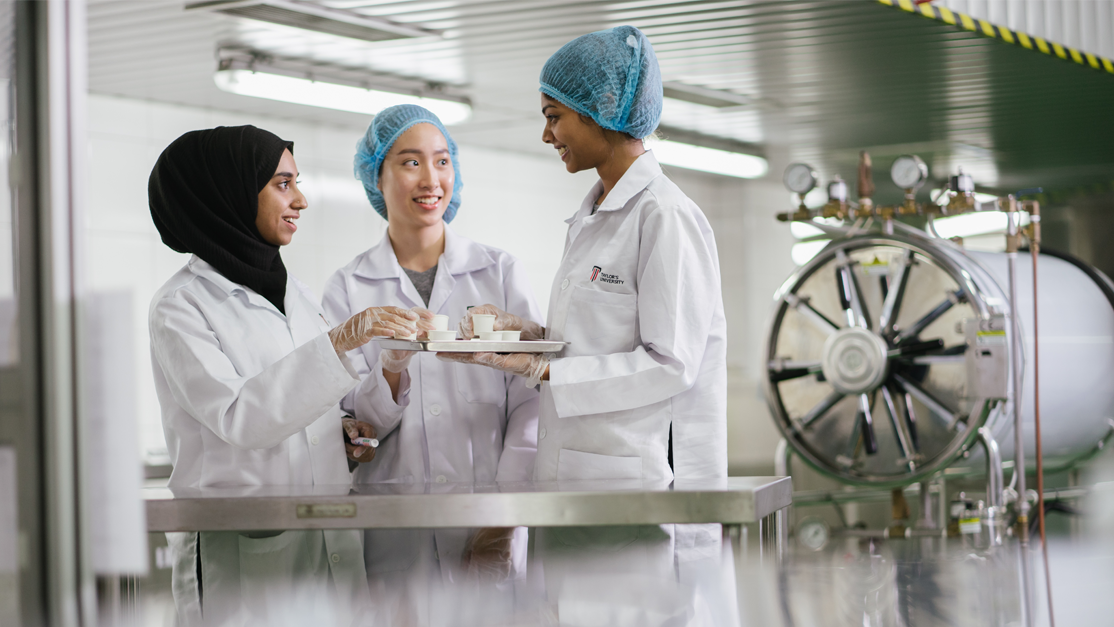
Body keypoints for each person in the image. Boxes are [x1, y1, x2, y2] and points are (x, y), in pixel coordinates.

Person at [439, 26, 730, 620]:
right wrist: (523, 332)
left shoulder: (665, 216)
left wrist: (537, 368)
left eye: (555, 116)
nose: (546, 134)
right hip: (573, 488)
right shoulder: (595, 213)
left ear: (603, 113)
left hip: (633, 492)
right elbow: (600, 340)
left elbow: (670, 362)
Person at [148, 125, 419, 625]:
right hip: (245, 548)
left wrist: (336, 430)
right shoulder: (180, 307)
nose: (301, 201)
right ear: (227, 193)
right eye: (282, 184)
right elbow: (241, 418)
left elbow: (298, 395)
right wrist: (342, 340)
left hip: (327, 535)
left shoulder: (294, 290)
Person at [321, 106, 541, 600]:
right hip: (397, 539)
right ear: (376, 176)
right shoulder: (346, 288)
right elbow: (352, 423)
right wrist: (391, 372)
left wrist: (502, 521)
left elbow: (532, 403)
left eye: (442, 161)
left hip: (488, 522)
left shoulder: (499, 271)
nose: (431, 179)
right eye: (410, 162)